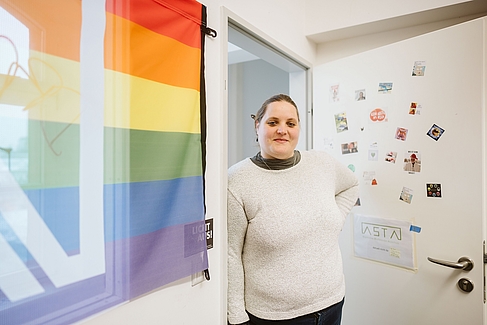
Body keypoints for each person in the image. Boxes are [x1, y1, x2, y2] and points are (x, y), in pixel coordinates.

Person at [227, 94, 360, 325]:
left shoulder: (322, 163)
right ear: (257, 125)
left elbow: (352, 185)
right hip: (277, 317)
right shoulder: (236, 181)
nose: (282, 130)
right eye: (272, 122)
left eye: (290, 123)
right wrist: (236, 317)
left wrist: (335, 219)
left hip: (333, 302)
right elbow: (230, 255)